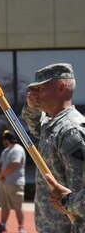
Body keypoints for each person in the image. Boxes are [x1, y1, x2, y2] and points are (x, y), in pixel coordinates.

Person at [21, 63, 85, 232]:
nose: (33, 94)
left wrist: (67, 201)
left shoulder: (71, 132)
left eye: (40, 88)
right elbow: (34, 125)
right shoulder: (53, 125)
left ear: (61, 87)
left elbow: (80, 193)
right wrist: (30, 106)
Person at [0, 130, 27, 233]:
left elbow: (14, 164)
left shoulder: (17, 149)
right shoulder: (6, 151)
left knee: (17, 206)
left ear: (7, 140)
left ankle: (21, 227)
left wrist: (1, 175)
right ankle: (2, 225)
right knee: (4, 205)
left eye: (4, 140)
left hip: (15, 183)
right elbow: (0, 164)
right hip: (4, 182)